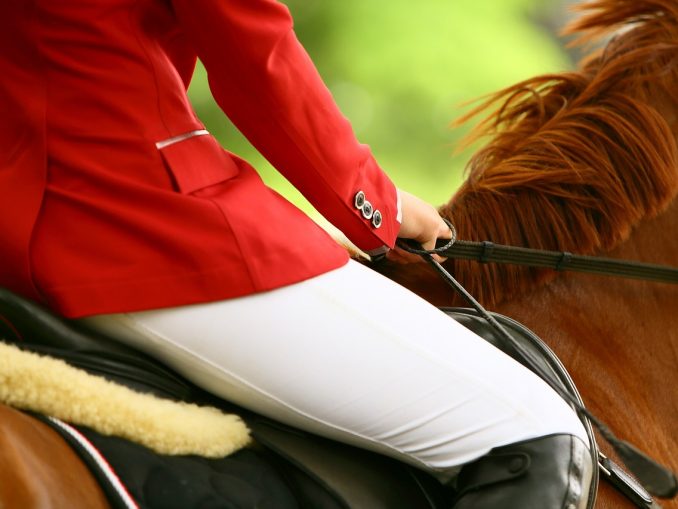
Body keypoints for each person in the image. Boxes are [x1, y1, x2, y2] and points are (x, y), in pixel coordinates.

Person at [0, 1, 592, 507]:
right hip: (131, 229)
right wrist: (376, 202)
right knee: (537, 435)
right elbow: (256, 54)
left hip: (24, 225)